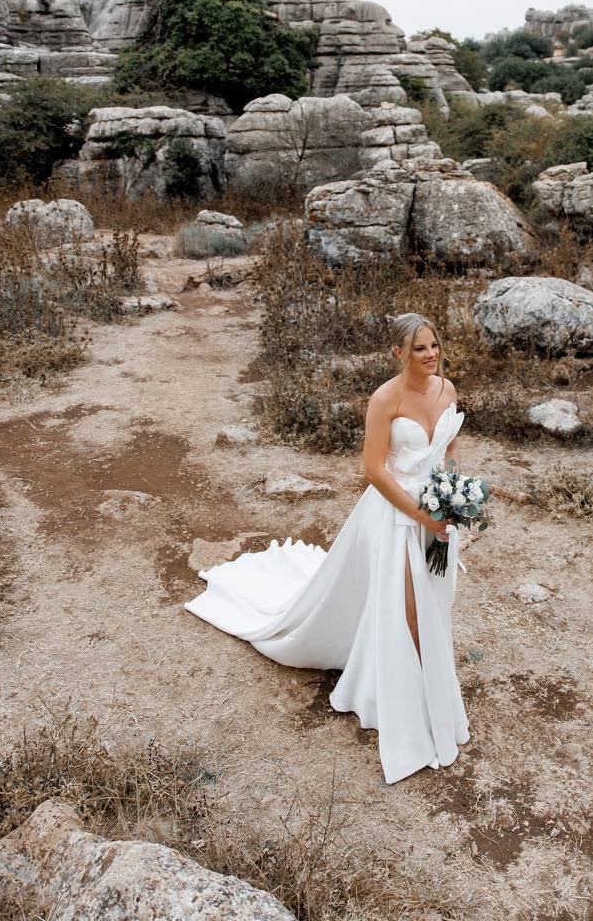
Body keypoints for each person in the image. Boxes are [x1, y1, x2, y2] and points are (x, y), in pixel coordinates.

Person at [184, 312, 470, 784]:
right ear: (398, 353)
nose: (430, 354)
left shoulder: (447, 389)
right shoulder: (385, 398)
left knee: (436, 600)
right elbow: (375, 471)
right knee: (409, 604)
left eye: (434, 344)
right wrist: (421, 514)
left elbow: (450, 443)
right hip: (397, 514)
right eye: (419, 348)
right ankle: (415, 700)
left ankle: (431, 682)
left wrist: (451, 494)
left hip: (439, 512)